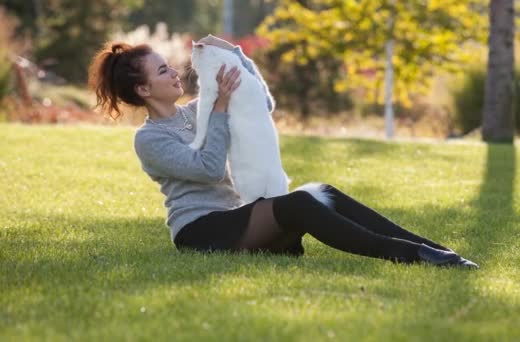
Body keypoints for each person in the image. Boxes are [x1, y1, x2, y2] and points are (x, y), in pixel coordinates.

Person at [88, 34, 478, 269]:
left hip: (239, 218)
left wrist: (236, 53)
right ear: (143, 91)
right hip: (202, 230)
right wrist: (221, 108)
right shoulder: (150, 139)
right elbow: (207, 170)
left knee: (321, 191)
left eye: (169, 66)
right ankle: (410, 256)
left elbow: (263, 106)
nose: (175, 73)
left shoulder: (198, 110)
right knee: (299, 205)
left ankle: (434, 249)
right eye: (162, 72)